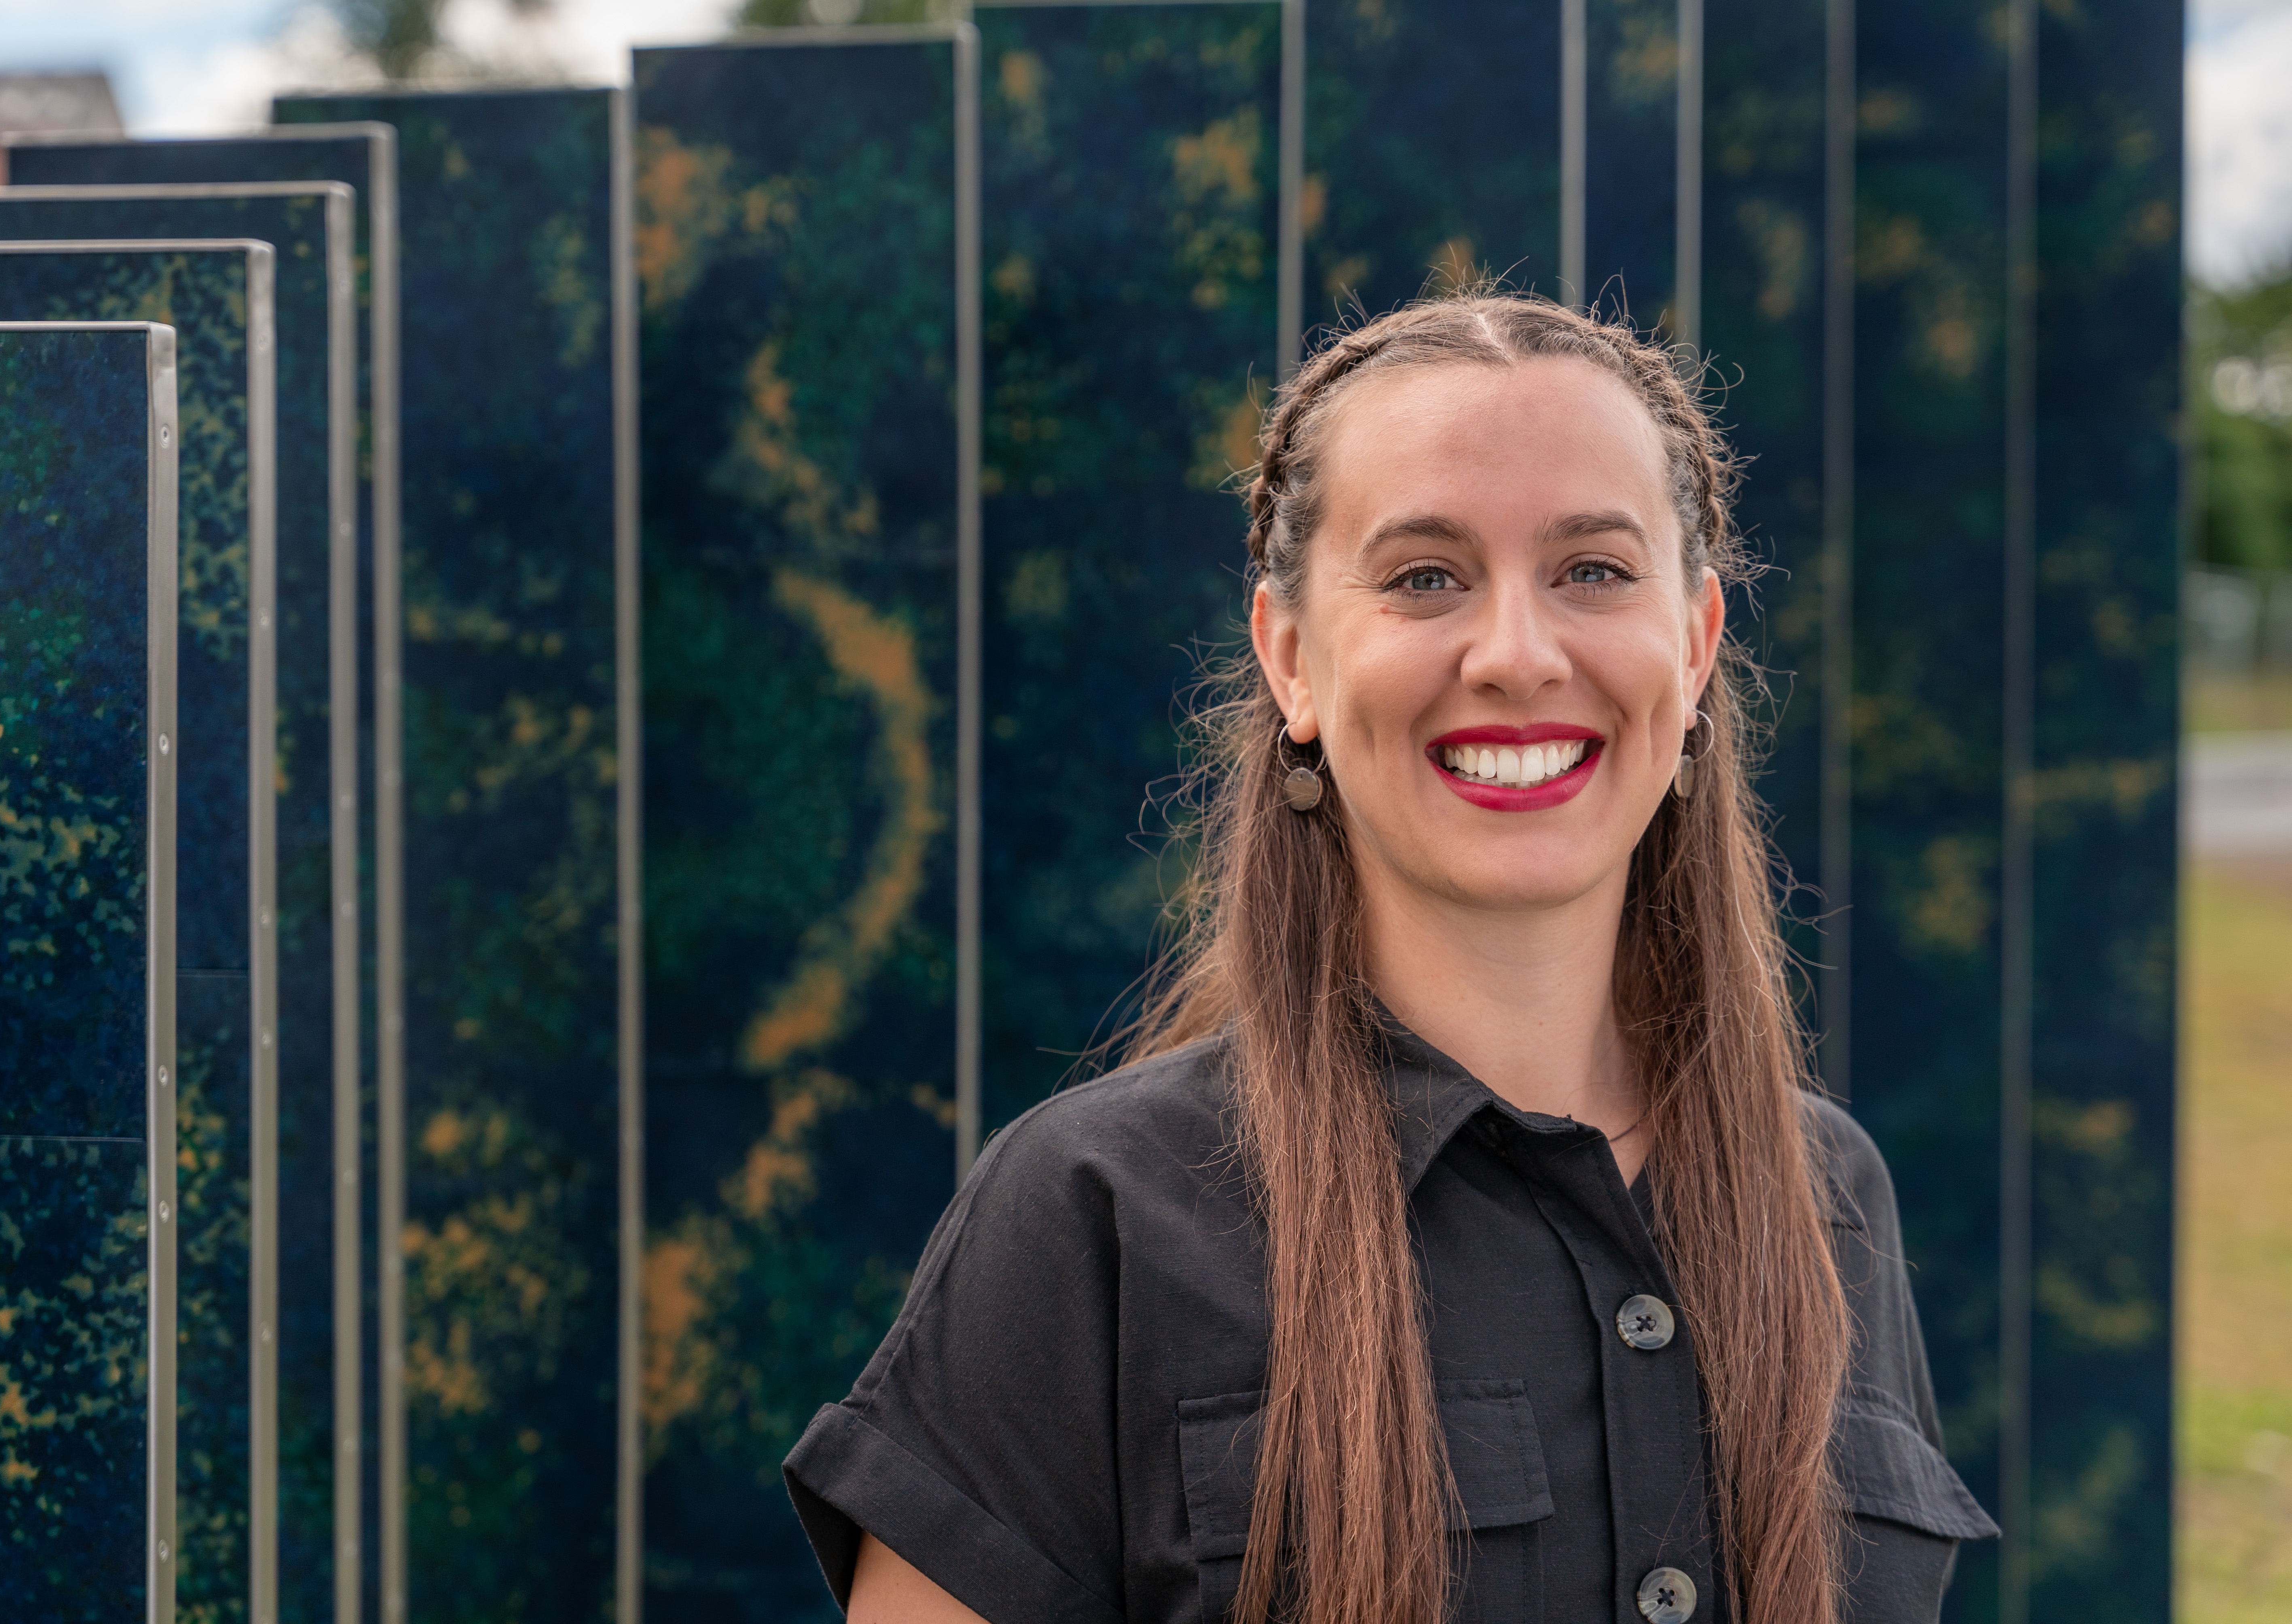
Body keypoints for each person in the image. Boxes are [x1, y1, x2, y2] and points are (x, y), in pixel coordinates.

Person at [781, 289, 1997, 1624]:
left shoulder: (1829, 1195)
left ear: (1697, 646)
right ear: (1292, 659)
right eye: (1426, 576)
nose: (1518, 654)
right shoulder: (1094, 1218)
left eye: (1593, 569)